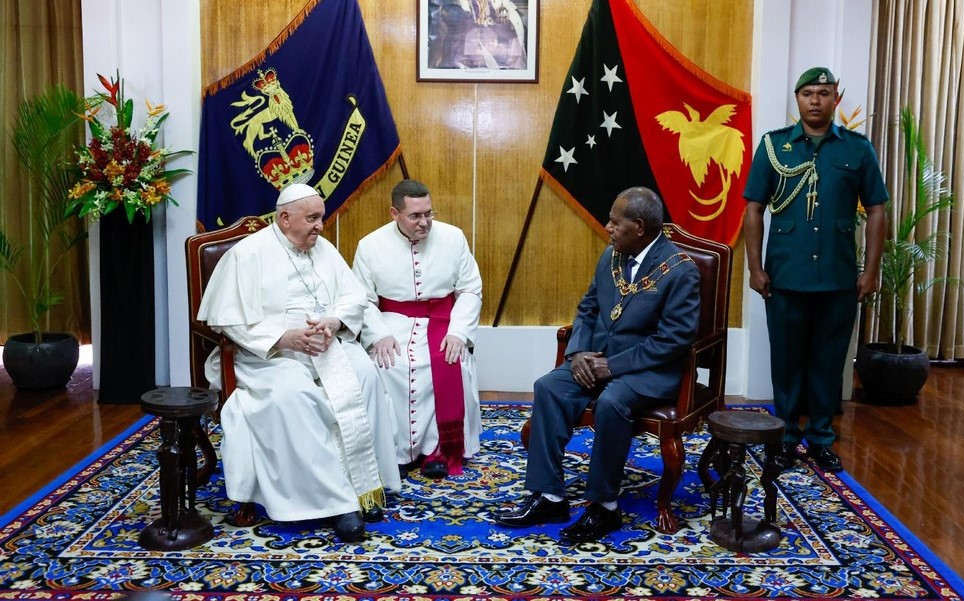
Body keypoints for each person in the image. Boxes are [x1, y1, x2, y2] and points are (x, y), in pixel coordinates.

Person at [492, 187, 701, 543]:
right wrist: (578, 354)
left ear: (638, 226)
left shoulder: (681, 271)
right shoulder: (611, 257)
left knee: (612, 402)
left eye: (614, 223)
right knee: (549, 386)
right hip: (598, 360)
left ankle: (604, 506)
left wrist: (611, 367)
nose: (607, 227)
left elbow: (672, 341)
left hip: (652, 371)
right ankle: (549, 497)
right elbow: (587, 310)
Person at [196, 183, 401, 542]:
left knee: (365, 374)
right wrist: (283, 337)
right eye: (312, 218)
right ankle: (335, 503)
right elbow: (226, 320)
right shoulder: (249, 254)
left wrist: (335, 321)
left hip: (325, 344)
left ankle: (366, 486)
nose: (321, 226)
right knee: (295, 395)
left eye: (321, 217)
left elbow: (354, 296)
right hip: (269, 355)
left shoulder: (323, 249)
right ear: (284, 218)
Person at [743, 67, 887, 473]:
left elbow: (877, 209)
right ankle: (786, 436)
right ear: (798, 99)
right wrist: (755, 267)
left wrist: (870, 271)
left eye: (824, 93)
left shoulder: (858, 150)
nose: (816, 100)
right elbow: (753, 207)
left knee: (828, 360)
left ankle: (822, 436)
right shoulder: (774, 147)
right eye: (808, 93)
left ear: (836, 99)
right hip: (785, 276)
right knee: (786, 361)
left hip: (839, 277)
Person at [351, 179, 483, 479]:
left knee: (451, 359)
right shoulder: (370, 246)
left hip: (443, 321)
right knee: (389, 364)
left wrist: (459, 332)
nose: (424, 222)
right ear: (394, 214)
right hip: (392, 322)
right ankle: (394, 450)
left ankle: (438, 450)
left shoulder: (453, 237)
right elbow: (362, 299)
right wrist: (378, 334)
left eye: (428, 213)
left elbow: (470, 290)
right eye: (415, 216)